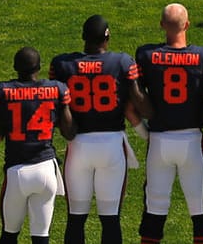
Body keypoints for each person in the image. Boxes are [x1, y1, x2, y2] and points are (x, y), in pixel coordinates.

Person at [50, 15, 143, 244]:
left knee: (76, 218)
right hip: (112, 146)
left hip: (78, 146)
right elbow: (138, 102)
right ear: (107, 36)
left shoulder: (63, 64)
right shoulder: (121, 62)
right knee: (110, 219)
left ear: (83, 37)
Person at [136, 3, 203, 244]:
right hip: (192, 140)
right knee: (200, 211)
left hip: (160, 140)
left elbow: (138, 94)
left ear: (162, 25)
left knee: (154, 209)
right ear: (188, 24)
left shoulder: (146, 55)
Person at [0, 47, 72, 244]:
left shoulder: (1, 91)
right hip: (46, 170)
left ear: (15, 67)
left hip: (17, 172)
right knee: (41, 237)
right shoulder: (57, 89)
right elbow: (70, 131)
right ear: (39, 67)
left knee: (9, 234)